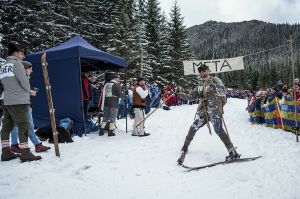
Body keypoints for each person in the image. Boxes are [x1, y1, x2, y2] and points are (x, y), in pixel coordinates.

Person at [177, 64, 240, 165]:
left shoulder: (215, 80)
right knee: (193, 127)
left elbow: (223, 91)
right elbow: (192, 96)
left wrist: (215, 88)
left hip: (214, 110)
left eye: (204, 70)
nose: (202, 72)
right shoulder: (200, 84)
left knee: (219, 130)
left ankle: (232, 151)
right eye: (200, 71)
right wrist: (180, 94)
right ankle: (185, 147)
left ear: (208, 71)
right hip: (203, 110)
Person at [0, 41, 41, 162]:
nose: (23, 56)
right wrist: (29, 91)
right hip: (18, 100)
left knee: (7, 125)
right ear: (16, 53)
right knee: (24, 125)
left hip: (6, 100)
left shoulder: (3, 66)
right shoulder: (17, 64)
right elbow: (23, 81)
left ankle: (6, 151)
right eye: (21, 54)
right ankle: (25, 152)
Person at [10, 61, 51, 153]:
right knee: (28, 125)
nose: (31, 71)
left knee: (17, 125)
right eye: (30, 69)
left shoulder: (24, 78)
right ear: (24, 69)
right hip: (21, 105)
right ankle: (36, 145)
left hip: (23, 104)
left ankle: (14, 145)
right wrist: (30, 92)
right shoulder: (20, 78)